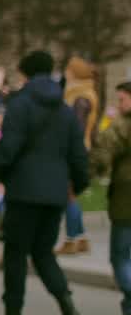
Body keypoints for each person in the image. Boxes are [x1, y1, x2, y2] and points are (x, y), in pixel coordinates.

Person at [0, 50, 88, 315]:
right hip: (53, 195)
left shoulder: (20, 104)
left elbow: (9, 148)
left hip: (24, 193)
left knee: (15, 255)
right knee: (43, 254)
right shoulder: (65, 110)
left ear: (26, 74)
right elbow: (79, 157)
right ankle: (69, 308)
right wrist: (73, 189)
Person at [89, 80, 131, 315]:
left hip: (127, 200)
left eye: (122, 99)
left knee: (120, 257)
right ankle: (128, 314)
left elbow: (102, 152)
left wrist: (87, 175)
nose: (119, 104)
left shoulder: (123, 126)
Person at [58, 56, 98, 256]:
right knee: (71, 194)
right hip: (81, 148)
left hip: (75, 149)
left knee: (69, 195)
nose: (66, 73)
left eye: (68, 70)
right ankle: (80, 238)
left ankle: (71, 240)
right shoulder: (81, 93)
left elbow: (76, 126)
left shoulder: (80, 97)